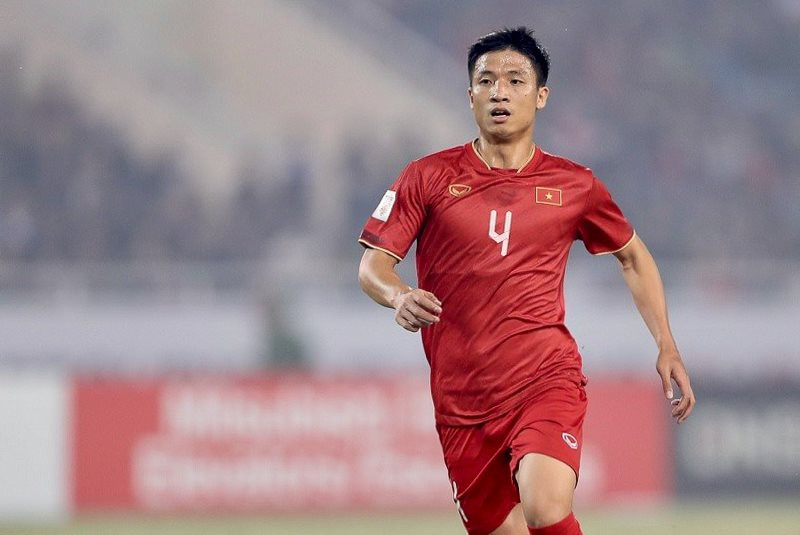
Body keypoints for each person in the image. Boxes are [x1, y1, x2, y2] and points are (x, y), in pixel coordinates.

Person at [357, 27, 695, 535]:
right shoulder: (426, 176)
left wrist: (666, 343)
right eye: (486, 81)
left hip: (545, 378)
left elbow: (633, 257)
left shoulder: (574, 185)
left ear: (541, 96)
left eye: (515, 81)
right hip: (461, 401)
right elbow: (372, 266)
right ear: (470, 95)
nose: (500, 92)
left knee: (545, 507)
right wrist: (398, 294)